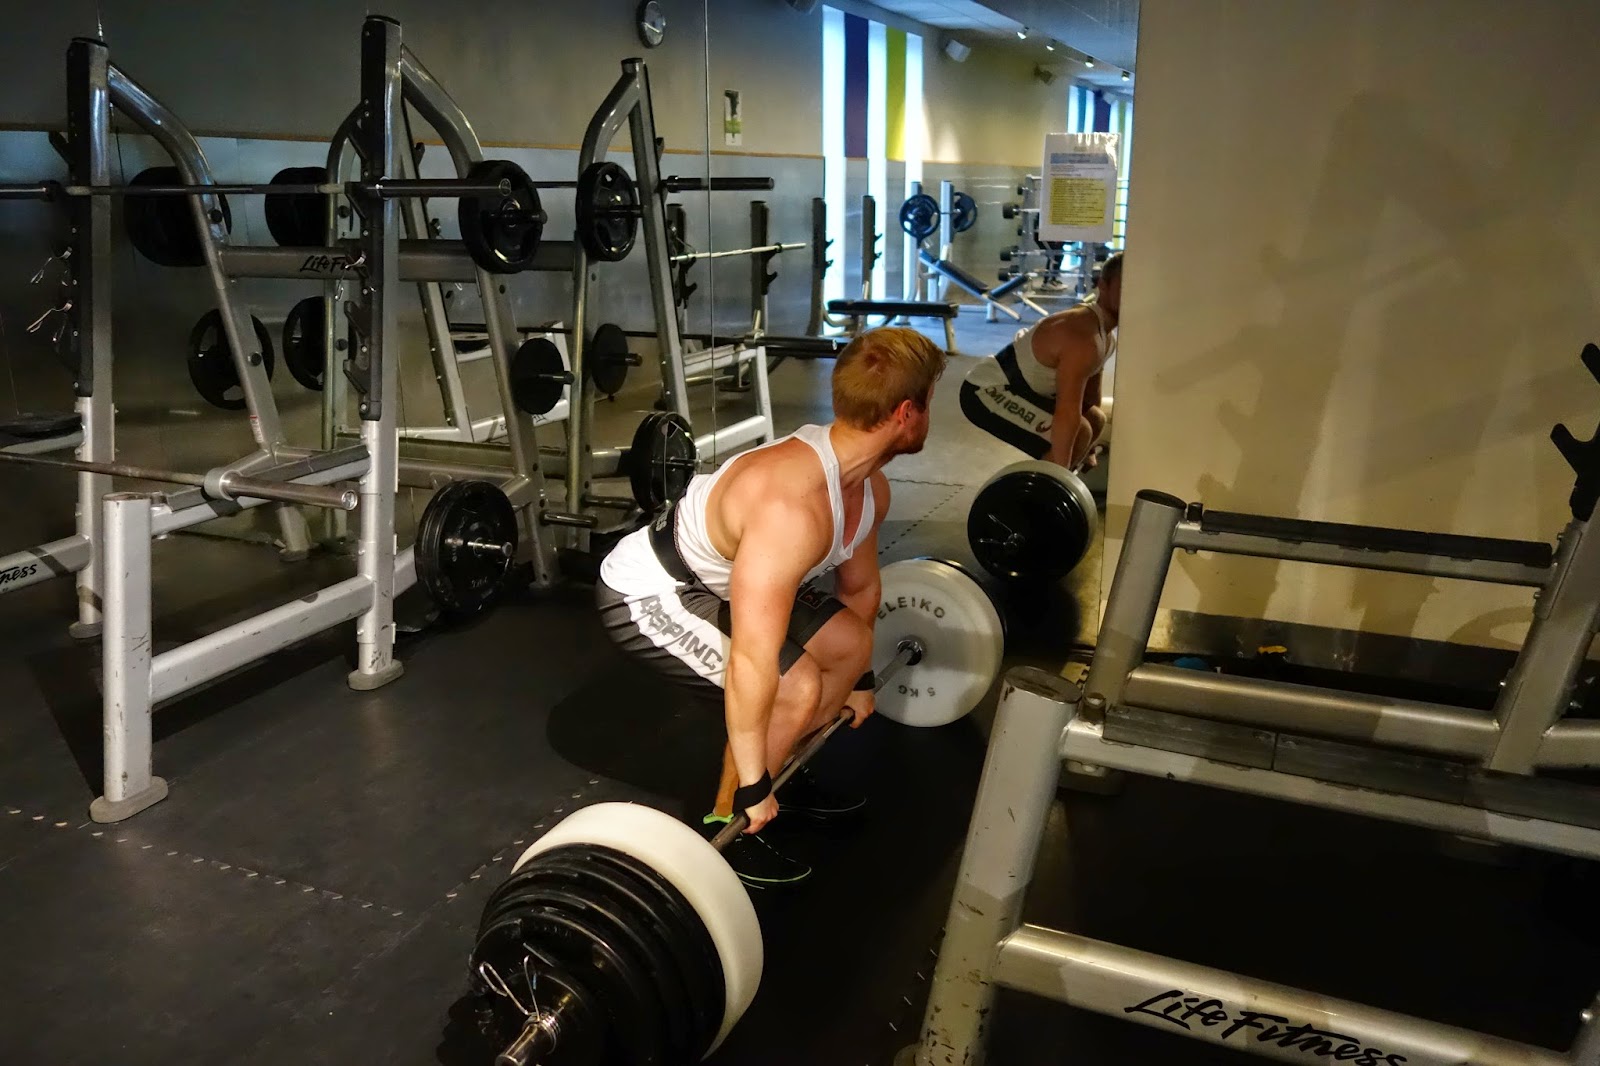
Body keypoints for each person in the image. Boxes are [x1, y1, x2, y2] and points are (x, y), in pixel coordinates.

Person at [595, 326, 947, 888]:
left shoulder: (867, 488)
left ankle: (782, 774)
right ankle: (726, 825)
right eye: (931, 399)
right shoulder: (792, 508)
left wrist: (859, 678)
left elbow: (859, 590)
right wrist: (751, 783)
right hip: (652, 589)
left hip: (726, 580)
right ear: (907, 412)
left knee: (851, 644)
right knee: (794, 686)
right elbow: (753, 662)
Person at [959, 250, 1121, 470]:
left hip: (1025, 389)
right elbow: (1067, 412)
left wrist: (1089, 450)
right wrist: (1060, 473)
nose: (1131, 296)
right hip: (987, 390)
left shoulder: (1106, 337)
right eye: (1123, 287)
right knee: (1080, 432)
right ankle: (1044, 486)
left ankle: (1051, 478)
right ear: (1103, 285)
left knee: (1096, 420)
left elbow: (1089, 399)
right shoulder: (1083, 335)